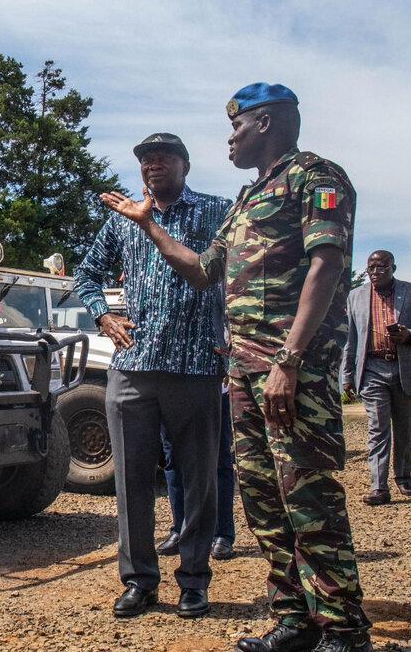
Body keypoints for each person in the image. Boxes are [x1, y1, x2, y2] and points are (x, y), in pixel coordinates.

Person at [100, 84, 371, 652]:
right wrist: (148, 225)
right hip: (243, 371)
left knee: (308, 493)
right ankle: (295, 620)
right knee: (263, 496)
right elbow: (201, 271)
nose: (229, 138)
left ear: (266, 122)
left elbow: (327, 267)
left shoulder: (316, 178)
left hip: (292, 371)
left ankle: (343, 627)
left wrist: (289, 360)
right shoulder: (248, 200)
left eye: (236, 128)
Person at [74, 132, 230, 620]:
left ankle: (194, 581)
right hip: (132, 369)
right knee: (132, 483)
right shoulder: (120, 221)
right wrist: (103, 315)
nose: (151, 166)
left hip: (196, 366)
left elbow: (218, 271)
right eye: (144, 160)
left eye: (162, 158)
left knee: (199, 480)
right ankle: (139, 581)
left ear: (185, 164)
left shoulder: (216, 210)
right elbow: (85, 273)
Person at [341, 251, 411, 505]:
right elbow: (350, 340)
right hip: (372, 369)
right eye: (371, 266)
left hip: (405, 369)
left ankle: (403, 477)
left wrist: (409, 335)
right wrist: (347, 376)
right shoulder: (356, 296)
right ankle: (378, 486)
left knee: (405, 428)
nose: (376, 271)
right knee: (377, 428)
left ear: (393, 267)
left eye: (382, 266)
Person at [158, 381, 237, 560]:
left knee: (217, 459)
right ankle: (180, 529)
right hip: (168, 387)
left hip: (211, 383)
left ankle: (222, 535)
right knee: (173, 459)